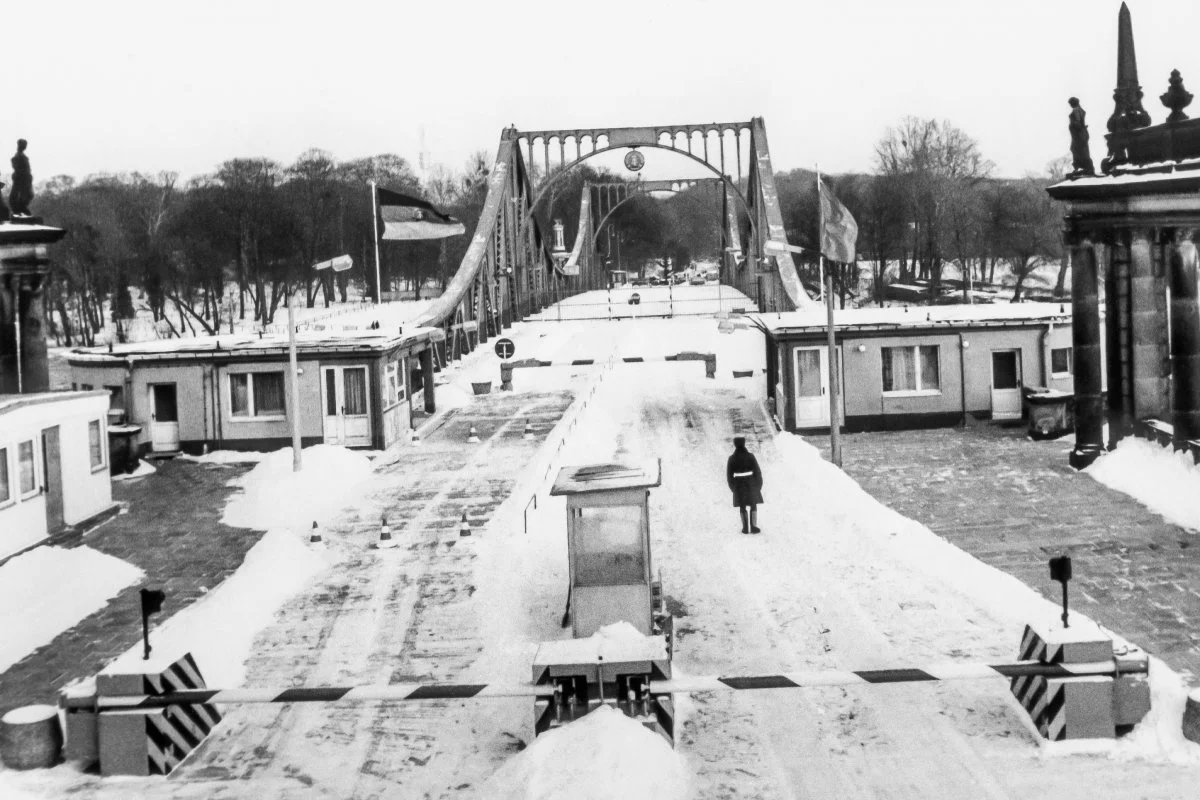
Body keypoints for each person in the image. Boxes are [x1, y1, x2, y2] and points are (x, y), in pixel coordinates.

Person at [726, 436, 763, 534]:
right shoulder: (750, 456)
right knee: (753, 504)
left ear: (735, 444)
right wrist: (758, 485)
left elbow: (729, 475)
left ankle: (745, 527)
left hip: (738, 484)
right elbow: (757, 471)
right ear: (744, 443)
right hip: (751, 483)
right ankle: (754, 526)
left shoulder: (731, 458)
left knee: (742, 506)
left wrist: (733, 487)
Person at [9, 139, 32, 216]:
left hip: (25, 181)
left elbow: (27, 170)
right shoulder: (18, 157)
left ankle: (21, 210)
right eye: (23, 145)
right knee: (14, 198)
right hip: (20, 180)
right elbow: (18, 168)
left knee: (28, 196)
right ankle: (19, 211)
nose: (25, 147)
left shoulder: (23, 157)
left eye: (25, 145)